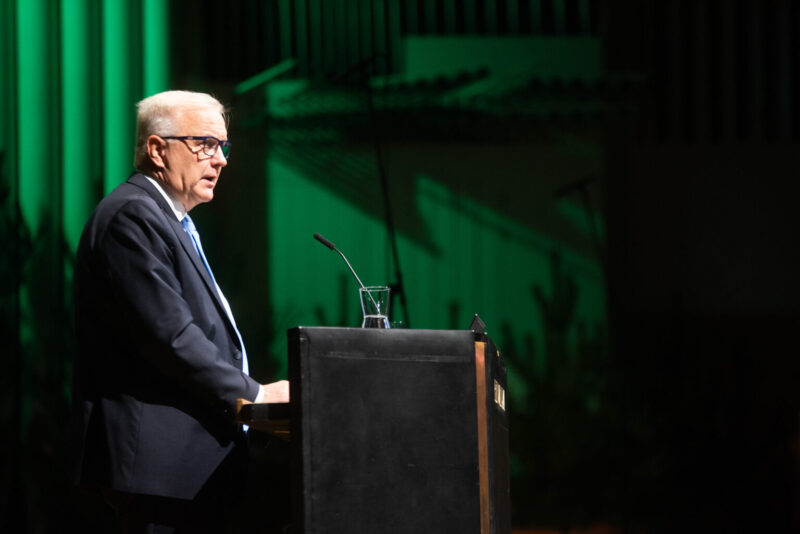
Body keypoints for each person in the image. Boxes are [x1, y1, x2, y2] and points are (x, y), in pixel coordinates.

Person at [72, 90, 288, 532]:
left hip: (184, 470)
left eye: (223, 146)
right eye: (206, 144)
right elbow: (171, 338)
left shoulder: (167, 218)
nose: (221, 159)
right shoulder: (132, 216)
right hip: (160, 470)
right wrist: (257, 395)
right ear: (157, 149)